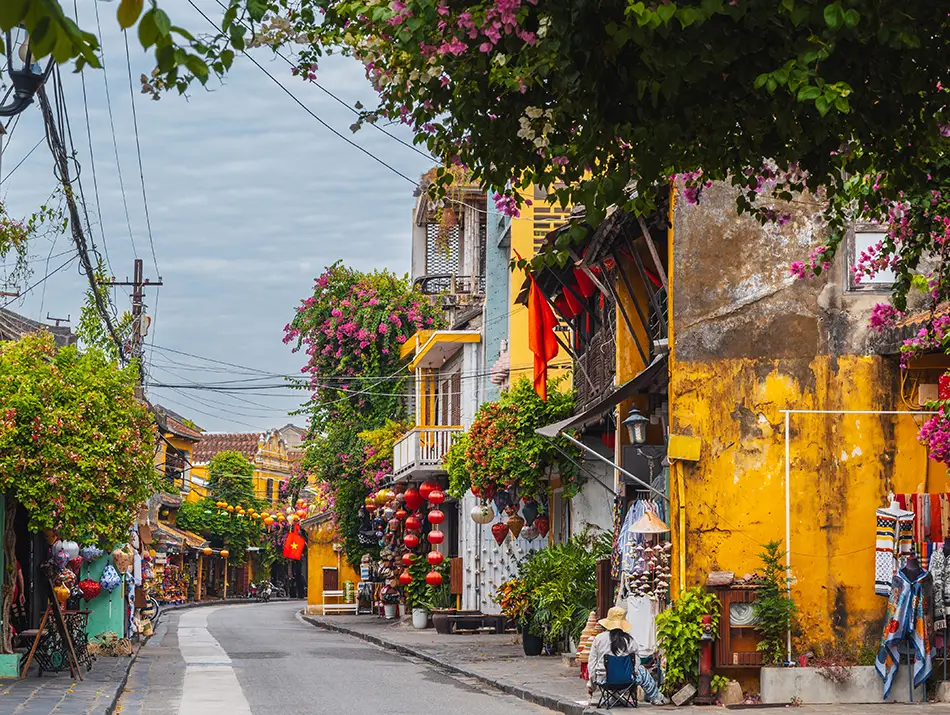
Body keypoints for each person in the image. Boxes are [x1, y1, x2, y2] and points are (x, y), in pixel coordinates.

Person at [587, 607, 667, 706]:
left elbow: (592, 664)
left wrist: (591, 686)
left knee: (603, 670)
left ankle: (614, 697)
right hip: (627, 681)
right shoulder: (630, 641)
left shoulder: (599, 639)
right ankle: (656, 698)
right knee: (642, 670)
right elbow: (636, 666)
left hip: (604, 681)